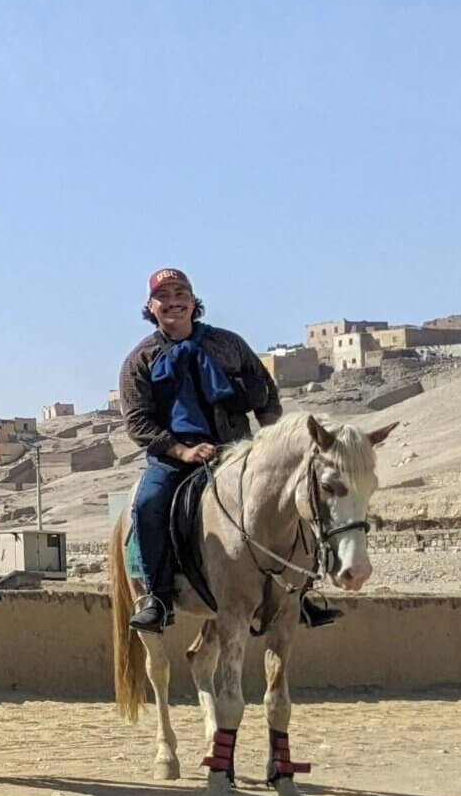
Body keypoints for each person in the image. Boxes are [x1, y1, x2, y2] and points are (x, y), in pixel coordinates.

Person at [118, 266, 330, 632]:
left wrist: (270, 437)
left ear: (193, 301)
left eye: (180, 294)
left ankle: (302, 590)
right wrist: (183, 451)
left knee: (296, 494)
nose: (173, 303)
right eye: (163, 297)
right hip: (174, 459)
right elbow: (138, 422)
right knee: (147, 504)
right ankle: (157, 597)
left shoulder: (228, 344)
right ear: (150, 307)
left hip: (236, 451)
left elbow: (264, 390)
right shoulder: (141, 360)